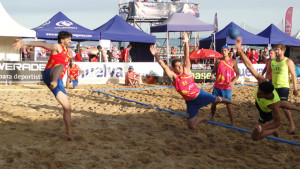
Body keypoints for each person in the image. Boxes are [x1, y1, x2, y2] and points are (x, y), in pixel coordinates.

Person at [149, 32, 240, 129]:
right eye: (177, 66)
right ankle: (203, 118)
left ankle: (232, 102)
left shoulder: (187, 70)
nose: (180, 67)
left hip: (200, 95)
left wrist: (186, 42)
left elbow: (186, 56)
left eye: (181, 65)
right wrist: (156, 55)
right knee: (191, 126)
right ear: (174, 69)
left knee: (218, 99)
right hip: (190, 103)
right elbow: (163, 66)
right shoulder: (174, 77)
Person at [235, 37, 300, 140]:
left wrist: (264, 127)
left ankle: (279, 127)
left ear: (266, 94)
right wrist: (240, 50)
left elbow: (277, 122)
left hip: (267, 110)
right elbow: (250, 66)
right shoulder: (264, 82)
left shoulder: (273, 105)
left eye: (260, 92)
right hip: (269, 94)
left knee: (255, 137)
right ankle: (296, 108)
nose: (257, 92)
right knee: (282, 103)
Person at [12, 31, 73, 140]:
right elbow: (41, 44)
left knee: (67, 107)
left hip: (58, 78)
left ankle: (68, 133)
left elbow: (68, 63)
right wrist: (24, 43)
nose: (71, 41)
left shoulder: (68, 52)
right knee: (60, 67)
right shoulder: (57, 46)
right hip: (49, 73)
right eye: (69, 39)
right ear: (62, 40)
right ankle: (54, 81)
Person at [266, 44, 298, 134]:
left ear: (283, 51)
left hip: (284, 87)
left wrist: (295, 88)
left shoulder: (288, 61)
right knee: (274, 107)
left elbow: (293, 76)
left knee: (284, 107)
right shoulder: (272, 61)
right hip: (274, 87)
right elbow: (268, 73)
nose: (276, 51)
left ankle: (292, 124)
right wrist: (265, 83)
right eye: (276, 49)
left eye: (278, 50)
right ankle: (275, 126)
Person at [210, 45, 239, 126]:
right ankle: (212, 117)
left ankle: (232, 123)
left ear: (228, 51)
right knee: (214, 103)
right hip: (217, 86)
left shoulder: (233, 61)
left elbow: (238, 74)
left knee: (228, 105)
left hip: (227, 87)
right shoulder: (218, 61)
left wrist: (233, 82)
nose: (223, 52)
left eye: (225, 50)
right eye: (222, 51)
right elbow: (213, 71)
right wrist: (212, 75)